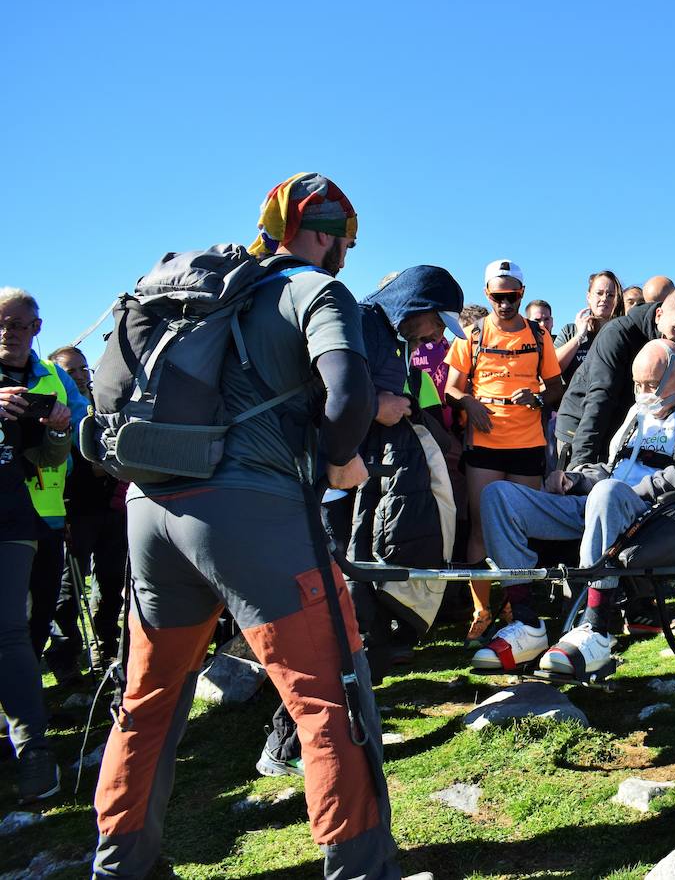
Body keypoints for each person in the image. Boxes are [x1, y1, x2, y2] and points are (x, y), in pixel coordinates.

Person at [90, 173, 418, 879]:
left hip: (151, 511)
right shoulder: (313, 289)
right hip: (253, 516)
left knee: (145, 701)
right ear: (324, 233)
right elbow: (349, 388)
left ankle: (121, 867)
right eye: (346, 241)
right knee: (327, 697)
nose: (346, 256)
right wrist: (338, 459)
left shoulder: (204, 295)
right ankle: (361, 868)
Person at [257, 263, 464, 780]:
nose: (439, 335)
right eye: (436, 322)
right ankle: (286, 744)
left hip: (358, 490)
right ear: (416, 308)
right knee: (336, 614)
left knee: (355, 614)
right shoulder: (361, 323)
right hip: (331, 495)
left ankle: (336, 725)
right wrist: (383, 405)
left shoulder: (391, 336)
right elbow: (328, 393)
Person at [471, 340, 675, 676]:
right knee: (498, 496)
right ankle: (526, 623)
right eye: (638, 384)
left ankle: (596, 628)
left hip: (659, 516)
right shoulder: (638, 413)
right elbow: (609, 469)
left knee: (608, 493)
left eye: (651, 385)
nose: (643, 393)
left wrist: (633, 490)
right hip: (602, 503)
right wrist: (575, 480)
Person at [444, 261, 563, 644]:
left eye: (511, 296)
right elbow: (450, 389)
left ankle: (518, 607)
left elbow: (558, 388)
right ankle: (481, 609)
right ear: (486, 294)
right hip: (485, 446)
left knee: (523, 527)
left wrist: (538, 397)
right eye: (497, 297)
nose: (505, 303)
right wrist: (469, 405)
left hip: (528, 445)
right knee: (480, 526)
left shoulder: (538, 335)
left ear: (522, 294)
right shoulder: (472, 335)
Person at [0, 288, 78, 804]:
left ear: (36, 327)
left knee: (10, 631)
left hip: (13, 517)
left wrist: (57, 430)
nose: (9, 333)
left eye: (18, 324)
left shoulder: (41, 380)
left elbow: (48, 461)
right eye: (1, 324)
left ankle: (34, 750)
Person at [555, 286, 675, 469]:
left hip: (622, 425)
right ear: (659, 315)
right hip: (581, 424)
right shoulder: (618, 334)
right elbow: (600, 397)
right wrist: (580, 464)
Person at [50, 344, 127, 667]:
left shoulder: (101, 403)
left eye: (84, 369)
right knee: (67, 587)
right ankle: (66, 660)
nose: (81, 376)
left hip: (110, 505)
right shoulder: (54, 409)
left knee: (111, 582)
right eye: (71, 371)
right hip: (74, 507)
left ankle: (105, 648)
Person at [554, 270, 625, 382]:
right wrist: (579, 337)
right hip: (574, 398)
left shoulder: (622, 334)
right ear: (588, 297)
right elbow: (553, 369)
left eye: (610, 295)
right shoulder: (570, 331)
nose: (604, 298)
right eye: (599, 293)